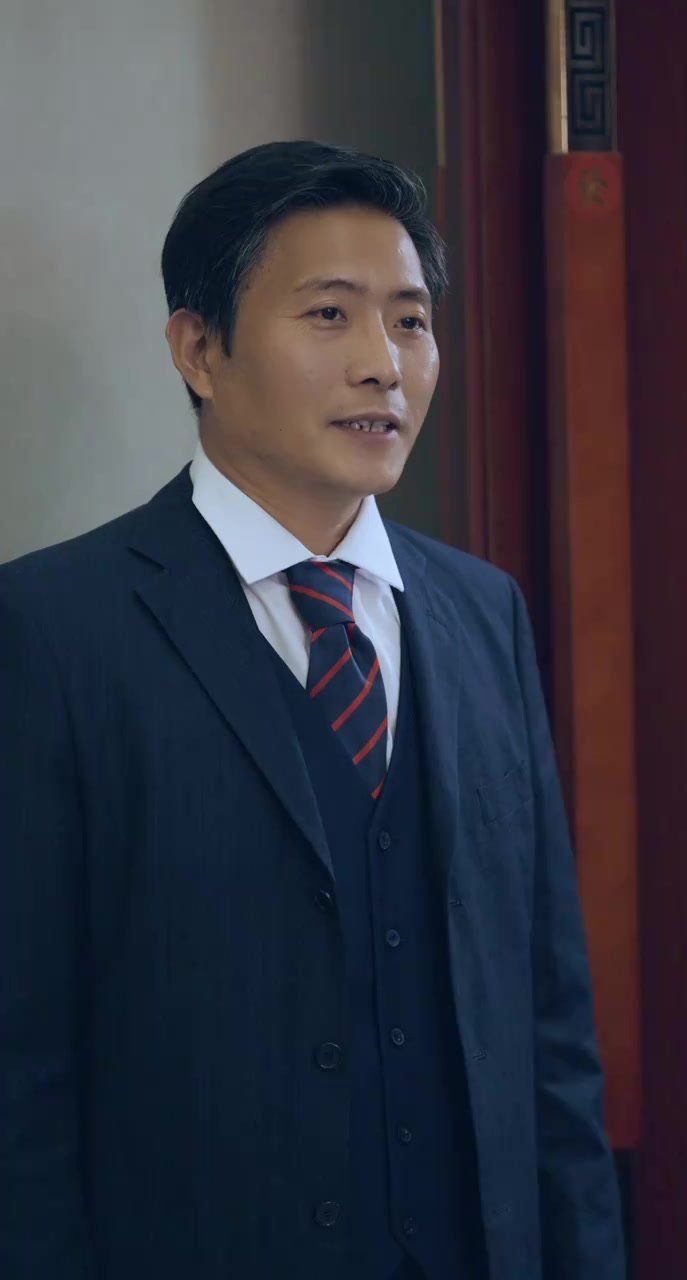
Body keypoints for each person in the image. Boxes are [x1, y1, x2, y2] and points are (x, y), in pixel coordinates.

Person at [0, 140, 626, 1280]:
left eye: (410, 320)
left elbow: (549, 1032)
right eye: (330, 315)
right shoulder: (50, 628)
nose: (382, 364)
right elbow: (19, 1069)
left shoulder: (484, 613)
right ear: (199, 348)